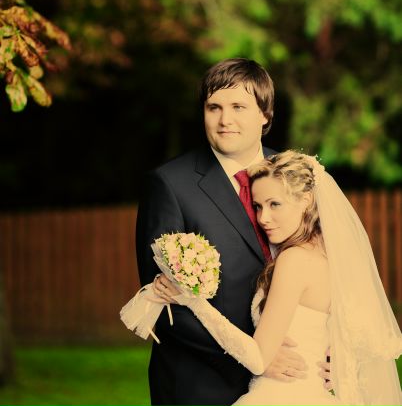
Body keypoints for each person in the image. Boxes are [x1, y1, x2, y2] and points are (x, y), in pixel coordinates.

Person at [154, 151, 402, 406]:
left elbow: (259, 358)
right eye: (258, 206)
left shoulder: (294, 259)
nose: (263, 218)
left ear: (306, 200)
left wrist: (194, 302)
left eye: (275, 204)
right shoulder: (329, 255)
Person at [136, 59, 310, 406]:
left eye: (238, 107)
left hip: (293, 379)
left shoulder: (296, 174)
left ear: (265, 114)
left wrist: (335, 350)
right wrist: (254, 357)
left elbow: (329, 267)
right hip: (201, 385)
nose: (224, 119)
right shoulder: (170, 184)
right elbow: (164, 303)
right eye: (214, 107)